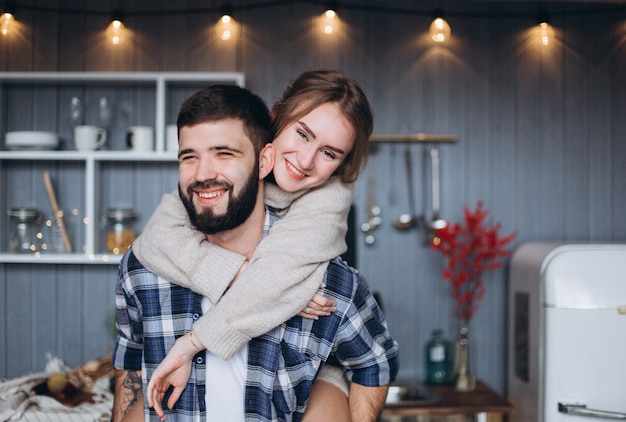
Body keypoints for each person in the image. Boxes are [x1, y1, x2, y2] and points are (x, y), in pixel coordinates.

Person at [112, 84, 398, 421]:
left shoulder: (321, 275)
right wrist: (243, 274)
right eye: (190, 156)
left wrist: (331, 389)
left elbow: (374, 363)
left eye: (225, 154)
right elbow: (130, 361)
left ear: (264, 160)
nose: (305, 161)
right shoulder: (144, 268)